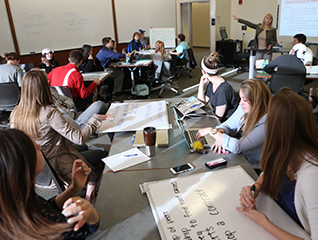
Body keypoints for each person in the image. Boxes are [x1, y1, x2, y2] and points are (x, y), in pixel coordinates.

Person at [10, 70, 114, 202]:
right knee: (101, 155)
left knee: (83, 149)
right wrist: (95, 120)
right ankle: (89, 195)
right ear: (45, 87)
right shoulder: (49, 112)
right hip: (59, 168)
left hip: (36, 173)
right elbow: (79, 138)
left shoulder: (15, 113)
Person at [237, 88, 318, 239]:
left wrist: (264, 222)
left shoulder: (312, 177)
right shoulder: (288, 150)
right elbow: (269, 173)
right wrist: (256, 188)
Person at [0, 128, 100, 239]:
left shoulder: (14, 198)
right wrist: (91, 214)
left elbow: (47, 205)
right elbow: (89, 232)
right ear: (24, 164)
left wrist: (75, 187)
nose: (39, 146)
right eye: (35, 148)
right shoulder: (48, 226)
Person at [195, 79, 272, 170]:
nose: (240, 103)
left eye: (244, 99)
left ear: (257, 101)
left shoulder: (267, 124)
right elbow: (226, 125)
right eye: (240, 98)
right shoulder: (243, 108)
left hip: (255, 168)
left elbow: (237, 146)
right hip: (241, 158)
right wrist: (219, 138)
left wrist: (211, 131)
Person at [197, 52, 238, 122]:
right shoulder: (212, 84)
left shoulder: (223, 90)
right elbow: (201, 103)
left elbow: (218, 119)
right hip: (219, 120)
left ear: (203, 71)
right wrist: (201, 84)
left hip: (227, 124)